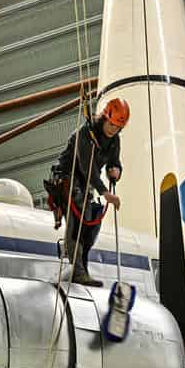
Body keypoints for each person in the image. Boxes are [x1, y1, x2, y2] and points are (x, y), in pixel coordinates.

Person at [50, 98, 128, 287]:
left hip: (86, 183)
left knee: (93, 222)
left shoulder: (114, 140)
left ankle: (82, 267)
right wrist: (104, 191)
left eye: (117, 127)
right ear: (105, 118)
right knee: (79, 215)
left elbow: (114, 162)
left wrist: (115, 170)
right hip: (68, 177)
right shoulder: (85, 134)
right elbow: (87, 167)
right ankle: (77, 270)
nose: (112, 130)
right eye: (111, 124)